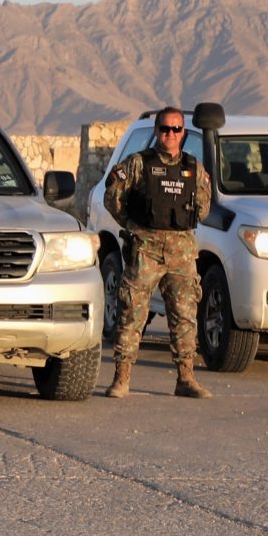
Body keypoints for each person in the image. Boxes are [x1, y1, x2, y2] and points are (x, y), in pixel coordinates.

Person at [103, 106, 213, 400]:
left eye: (176, 129)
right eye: (165, 128)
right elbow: (113, 197)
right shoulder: (138, 163)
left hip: (181, 252)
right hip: (145, 249)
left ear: (183, 133)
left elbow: (203, 207)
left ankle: (186, 378)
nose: (170, 134)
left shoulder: (193, 168)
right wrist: (132, 225)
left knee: (185, 316)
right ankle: (121, 378)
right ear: (156, 130)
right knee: (132, 313)